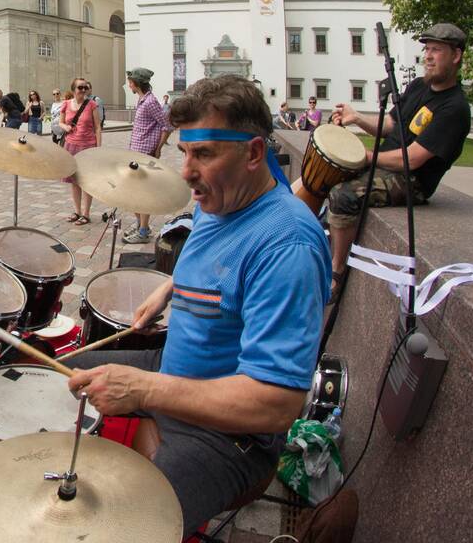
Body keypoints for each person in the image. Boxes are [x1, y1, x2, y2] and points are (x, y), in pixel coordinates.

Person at [66, 74, 331, 537]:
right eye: (184, 152)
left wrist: (144, 390)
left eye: (204, 153)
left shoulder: (286, 246)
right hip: (172, 367)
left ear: (252, 153)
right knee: (47, 377)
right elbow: (219, 265)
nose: (187, 171)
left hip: (226, 435)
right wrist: (170, 287)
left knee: (122, 528)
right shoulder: (220, 198)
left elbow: (276, 404)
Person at [327, 23, 471, 292]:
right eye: (427, 48)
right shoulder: (418, 86)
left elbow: (413, 159)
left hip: (411, 181)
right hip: (387, 165)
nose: (428, 56)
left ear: (456, 56)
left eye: (436, 50)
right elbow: (392, 124)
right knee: (328, 173)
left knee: (343, 195)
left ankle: (337, 271)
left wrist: (366, 156)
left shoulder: (455, 108)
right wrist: (356, 118)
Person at [123, 68, 173, 243]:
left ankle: (143, 231)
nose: (128, 84)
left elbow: (167, 125)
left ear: (135, 83)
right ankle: (141, 227)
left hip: (145, 154)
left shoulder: (150, 101)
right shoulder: (142, 100)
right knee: (133, 192)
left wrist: (158, 149)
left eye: (129, 81)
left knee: (142, 193)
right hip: (136, 152)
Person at [61, 77, 102, 225]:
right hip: (71, 145)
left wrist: (98, 147)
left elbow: (97, 127)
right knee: (74, 181)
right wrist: (65, 127)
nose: (83, 90)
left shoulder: (92, 105)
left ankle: (86, 213)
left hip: (88, 146)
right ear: (73, 89)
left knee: (86, 181)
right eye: (80, 87)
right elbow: (61, 122)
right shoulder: (66, 104)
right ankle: (77, 211)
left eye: (85, 87)